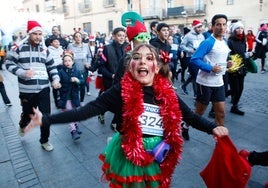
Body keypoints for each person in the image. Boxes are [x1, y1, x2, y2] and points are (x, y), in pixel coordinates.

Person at [25, 43, 229, 187]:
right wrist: (47, 119)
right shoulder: (120, 91)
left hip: (157, 153)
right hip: (129, 153)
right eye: (136, 58)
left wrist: (213, 127)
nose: (142, 62)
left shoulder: (167, 93)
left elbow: (190, 117)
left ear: (156, 67)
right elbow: (87, 110)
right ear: (130, 66)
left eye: (149, 58)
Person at [5, 20, 61, 151]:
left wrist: (55, 79)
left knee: (46, 116)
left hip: (43, 89)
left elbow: (52, 67)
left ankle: (44, 140)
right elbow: (8, 64)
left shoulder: (44, 50)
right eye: (35, 34)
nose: (38, 37)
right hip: (27, 91)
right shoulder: (18, 48)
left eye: (40, 34)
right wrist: (23, 73)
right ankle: (22, 125)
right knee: (27, 114)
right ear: (29, 34)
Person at [190, 14, 231, 128]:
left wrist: (227, 64)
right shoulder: (208, 42)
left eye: (224, 24)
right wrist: (210, 68)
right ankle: (185, 125)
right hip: (205, 83)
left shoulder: (225, 41)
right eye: (218, 24)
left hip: (219, 82)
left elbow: (219, 59)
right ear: (213, 26)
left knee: (221, 114)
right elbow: (194, 59)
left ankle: (219, 140)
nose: (221, 27)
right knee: (199, 112)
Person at [98, 27, 128, 128]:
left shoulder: (128, 47)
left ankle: (115, 122)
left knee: (122, 102)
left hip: (124, 81)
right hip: (109, 81)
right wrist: (111, 75)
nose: (121, 38)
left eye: (123, 36)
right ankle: (101, 112)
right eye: (119, 35)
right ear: (114, 36)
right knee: (109, 101)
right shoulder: (107, 48)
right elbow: (101, 66)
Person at [58, 50, 84, 140]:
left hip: (75, 96)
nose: (67, 62)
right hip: (65, 97)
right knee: (70, 112)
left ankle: (76, 125)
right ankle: (73, 131)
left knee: (75, 112)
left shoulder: (77, 71)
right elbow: (57, 83)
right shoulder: (61, 72)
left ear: (73, 61)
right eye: (65, 61)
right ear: (63, 62)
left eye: (69, 60)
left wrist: (77, 80)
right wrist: (58, 85)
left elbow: (82, 81)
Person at [227, 21, 249, 115]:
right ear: (234, 30)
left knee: (240, 89)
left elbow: (243, 53)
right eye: (237, 28)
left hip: (242, 68)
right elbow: (228, 55)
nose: (240, 30)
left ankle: (234, 106)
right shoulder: (230, 41)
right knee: (234, 89)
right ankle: (216, 101)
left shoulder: (243, 41)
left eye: (241, 28)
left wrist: (248, 55)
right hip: (233, 68)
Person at [180, 19, 205, 98]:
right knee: (196, 76)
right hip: (191, 58)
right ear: (194, 28)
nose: (200, 29)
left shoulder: (202, 36)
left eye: (201, 27)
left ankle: (184, 86)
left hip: (200, 58)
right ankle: (196, 95)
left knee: (194, 75)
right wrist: (189, 50)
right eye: (198, 27)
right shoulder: (188, 36)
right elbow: (182, 45)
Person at [67, 31, 92, 106]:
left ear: (82, 38)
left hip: (84, 69)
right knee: (74, 85)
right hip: (74, 70)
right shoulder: (70, 46)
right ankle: (75, 100)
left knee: (82, 86)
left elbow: (89, 56)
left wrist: (88, 63)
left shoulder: (86, 46)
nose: (78, 38)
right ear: (74, 38)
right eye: (76, 36)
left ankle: (81, 100)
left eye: (79, 36)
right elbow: (68, 56)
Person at [47, 36, 64, 108]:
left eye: (58, 41)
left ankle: (63, 101)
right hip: (53, 68)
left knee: (62, 85)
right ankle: (57, 102)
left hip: (62, 68)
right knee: (55, 86)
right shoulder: (48, 50)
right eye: (55, 41)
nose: (57, 43)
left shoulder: (61, 49)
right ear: (51, 43)